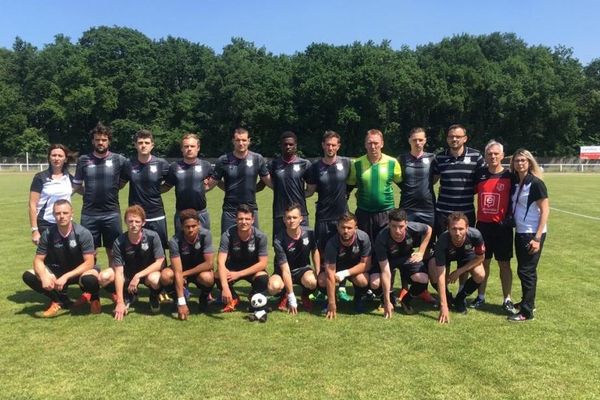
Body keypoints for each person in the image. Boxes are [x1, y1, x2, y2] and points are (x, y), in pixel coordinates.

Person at [22, 200, 100, 317]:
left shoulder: (83, 233)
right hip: (57, 271)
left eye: (65, 213)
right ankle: (58, 299)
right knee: (28, 275)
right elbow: (38, 260)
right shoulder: (48, 234)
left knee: (90, 279)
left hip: (80, 271)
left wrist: (66, 276)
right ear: (53, 215)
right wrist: (44, 277)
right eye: (58, 213)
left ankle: (94, 298)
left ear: (71, 213)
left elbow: (89, 262)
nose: (61, 216)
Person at [305, 130, 352, 302]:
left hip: (342, 217)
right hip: (323, 216)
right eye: (328, 144)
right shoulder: (315, 167)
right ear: (323, 145)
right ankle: (321, 285)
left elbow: (352, 183)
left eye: (334, 145)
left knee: (343, 252)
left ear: (338, 146)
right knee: (321, 251)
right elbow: (309, 191)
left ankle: (341, 287)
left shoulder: (347, 163)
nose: (330, 147)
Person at [72, 122, 128, 266]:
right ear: (93, 141)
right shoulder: (84, 160)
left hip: (112, 214)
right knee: (90, 253)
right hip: (89, 214)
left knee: (114, 251)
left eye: (104, 140)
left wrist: (113, 188)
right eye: (97, 140)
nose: (100, 142)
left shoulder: (119, 160)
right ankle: (91, 286)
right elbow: (77, 185)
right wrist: (89, 193)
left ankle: (114, 286)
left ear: (108, 141)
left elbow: (124, 180)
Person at [98, 205, 165, 321]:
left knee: (156, 279)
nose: (134, 224)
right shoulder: (119, 242)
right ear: (125, 222)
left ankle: (153, 296)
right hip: (127, 275)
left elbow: (160, 263)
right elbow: (119, 272)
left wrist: (138, 275)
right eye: (130, 221)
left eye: (137, 221)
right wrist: (119, 302)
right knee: (103, 277)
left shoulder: (153, 236)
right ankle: (126, 296)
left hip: (147, 275)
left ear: (143, 222)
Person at [471, 140, 516, 313]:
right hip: (482, 227)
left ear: (502, 156)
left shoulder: (509, 176)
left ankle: (507, 299)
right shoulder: (480, 174)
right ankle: (480, 297)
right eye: (490, 154)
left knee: (504, 264)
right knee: (483, 262)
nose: (493, 156)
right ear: (485, 156)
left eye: (496, 153)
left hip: (502, 228)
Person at [508, 149, 549, 322]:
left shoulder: (536, 183)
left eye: (523, 160)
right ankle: (527, 302)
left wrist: (537, 238)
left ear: (529, 162)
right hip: (521, 231)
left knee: (527, 271)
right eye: (517, 161)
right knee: (524, 269)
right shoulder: (518, 182)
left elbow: (545, 210)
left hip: (532, 233)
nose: (520, 163)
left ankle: (526, 312)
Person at [208, 128, 271, 234]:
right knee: (227, 245)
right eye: (238, 140)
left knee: (253, 245)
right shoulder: (223, 160)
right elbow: (212, 183)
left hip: (250, 209)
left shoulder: (257, 159)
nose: (241, 143)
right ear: (233, 141)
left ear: (249, 141)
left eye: (244, 140)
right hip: (230, 211)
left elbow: (269, 182)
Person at [373, 209, 433, 318]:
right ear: (389, 224)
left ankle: (406, 300)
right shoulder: (382, 238)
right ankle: (386, 300)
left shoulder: (413, 227)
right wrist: (387, 301)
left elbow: (428, 230)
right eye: (393, 226)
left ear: (406, 223)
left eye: (401, 226)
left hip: (406, 258)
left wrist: (421, 252)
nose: (397, 230)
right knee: (374, 283)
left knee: (423, 279)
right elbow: (385, 272)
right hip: (388, 261)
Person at [430, 212, 486, 323]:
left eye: (461, 229)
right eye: (454, 229)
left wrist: (459, 271)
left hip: (466, 255)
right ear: (448, 228)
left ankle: (460, 299)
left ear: (467, 228)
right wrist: (444, 305)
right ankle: (447, 299)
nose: (457, 233)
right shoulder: (443, 240)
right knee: (432, 268)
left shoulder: (476, 235)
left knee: (480, 274)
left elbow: (480, 258)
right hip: (447, 255)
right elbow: (441, 275)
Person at [347, 129, 402, 242]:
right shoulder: (356, 163)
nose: (373, 146)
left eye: (376, 143)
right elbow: (348, 188)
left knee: (385, 246)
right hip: (364, 213)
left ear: (382, 143)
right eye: (370, 143)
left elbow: (405, 187)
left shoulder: (392, 163)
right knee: (365, 246)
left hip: (386, 213)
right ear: (365, 144)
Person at [431, 124, 485, 237]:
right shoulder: (439, 158)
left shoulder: (476, 156)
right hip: (444, 211)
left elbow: (482, 182)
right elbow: (432, 181)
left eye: (458, 136)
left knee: (466, 246)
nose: (454, 139)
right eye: (451, 136)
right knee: (444, 244)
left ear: (465, 138)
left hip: (466, 211)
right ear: (447, 139)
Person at [162, 209, 215, 320]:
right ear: (182, 227)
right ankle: (178, 299)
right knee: (165, 276)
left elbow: (209, 264)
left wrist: (185, 273)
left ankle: (204, 298)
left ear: (199, 224)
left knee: (209, 278)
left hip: (199, 271)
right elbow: (177, 270)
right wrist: (182, 303)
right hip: (180, 269)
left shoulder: (206, 235)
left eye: (193, 226)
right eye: (187, 227)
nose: (191, 229)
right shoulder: (174, 241)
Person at [216, 204, 269, 312]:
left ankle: (253, 297)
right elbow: (220, 262)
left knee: (263, 278)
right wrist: (225, 287)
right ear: (236, 219)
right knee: (217, 275)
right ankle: (233, 298)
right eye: (240, 219)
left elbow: (263, 263)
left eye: (247, 219)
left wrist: (239, 274)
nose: (244, 222)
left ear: (253, 220)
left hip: (252, 268)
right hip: (233, 268)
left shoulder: (260, 236)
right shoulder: (228, 235)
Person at [268, 204, 319, 314]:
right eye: (288, 217)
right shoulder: (278, 239)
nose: (291, 220)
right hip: (283, 271)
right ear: (284, 219)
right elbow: (285, 269)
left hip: (302, 270)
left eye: (294, 217)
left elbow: (315, 250)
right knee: (273, 287)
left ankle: (305, 296)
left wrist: (318, 271)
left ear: (301, 219)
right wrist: (292, 297)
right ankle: (284, 295)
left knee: (313, 281)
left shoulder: (310, 233)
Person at [123, 130, 170, 248]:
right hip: (136, 216)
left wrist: (156, 191)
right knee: (137, 248)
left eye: (147, 142)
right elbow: (119, 183)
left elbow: (170, 183)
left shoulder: (161, 164)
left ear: (152, 145)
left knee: (160, 249)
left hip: (156, 213)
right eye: (140, 142)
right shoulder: (128, 164)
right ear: (135, 145)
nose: (143, 145)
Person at [262, 131, 311, 240]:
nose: (288, 147)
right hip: (280, 214)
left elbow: (311, 190)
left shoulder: (305, 164)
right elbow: (267, 182)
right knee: (280, 248)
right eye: (285, 144)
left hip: (300, 213)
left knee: (303, 248)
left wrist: (299, 195)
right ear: (281, 146)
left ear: (296, 146)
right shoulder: (273, 164)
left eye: (291, 144)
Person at [322, 213, 371, 319]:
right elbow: (330, 274)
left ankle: (358, 299)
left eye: (349, 228)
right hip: (336, 270)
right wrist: (332, 303)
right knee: (322, 280)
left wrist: (345, 273)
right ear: (338, 227)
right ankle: (331, 299)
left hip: (355, 270)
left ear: (356, 228)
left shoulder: (363, 238)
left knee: (363, 280)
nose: (345, 231)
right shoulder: (332, 243)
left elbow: (365, 265)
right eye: (343, 227)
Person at [163, 133, 214, 233]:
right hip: (181, 213)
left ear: (198, 148)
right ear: (182, 149)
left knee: (204, 245)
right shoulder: (174, 167)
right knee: (181, 246)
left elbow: (215, 182)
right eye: (186, 146)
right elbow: (167, 186)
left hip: (200, 213)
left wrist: (206, 188)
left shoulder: (206, 166)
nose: (189, 149)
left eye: (192, 146)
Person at [28, 144, 74, 245]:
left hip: (66, 223)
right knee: (49, 258)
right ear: (49, 158)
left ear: (65, 159)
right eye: (54, 155)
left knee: (68, 257)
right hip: (46, 223)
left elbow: (84, 190)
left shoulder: (69, 177)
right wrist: (35, 230)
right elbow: (32, 204)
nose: (56, 158)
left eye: (60, 156)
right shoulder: (40, 177)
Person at [398, 127, 435, 227]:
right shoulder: (401, 159)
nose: (418, 142)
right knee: (407, 240)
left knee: (429, 239)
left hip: (428, 208)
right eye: (414, 140)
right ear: (409, 140)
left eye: (421, 140)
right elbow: (397, 179)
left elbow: (435, 178)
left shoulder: (433, 158)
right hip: (407, 207)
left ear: (425, 140)